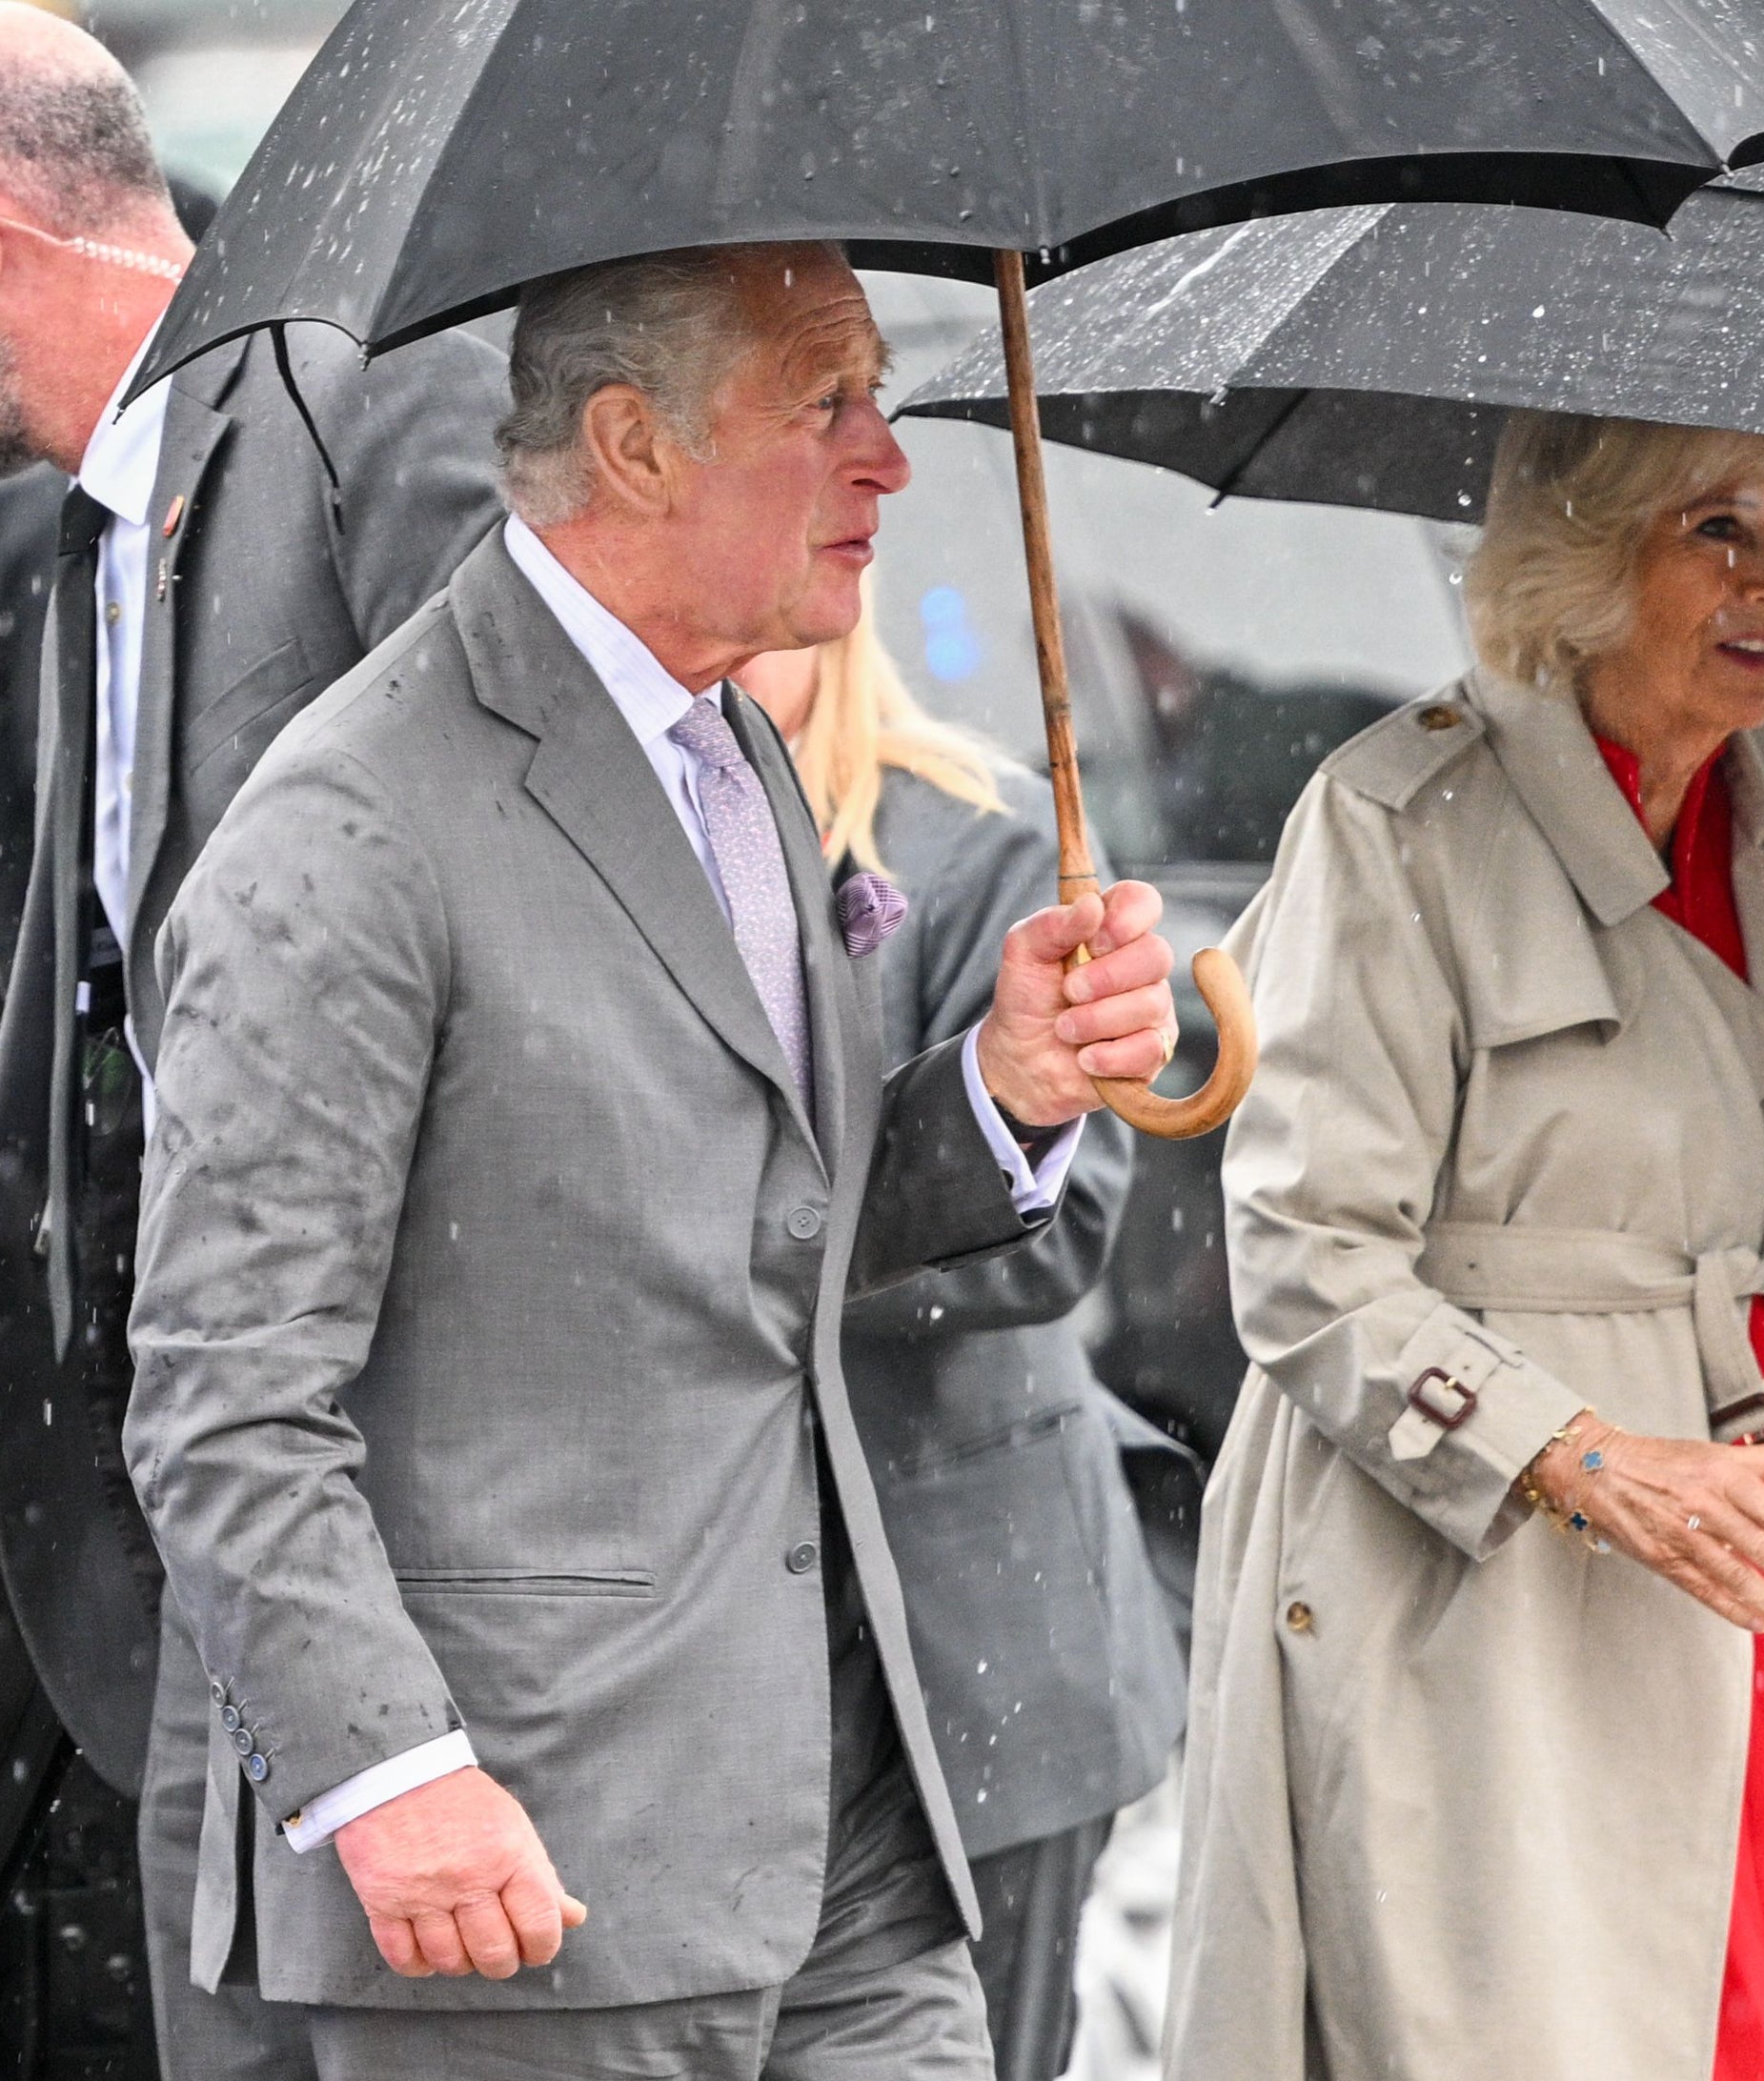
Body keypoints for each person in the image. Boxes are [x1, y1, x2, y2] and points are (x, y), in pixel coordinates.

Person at [118, 240, 1178, 2078]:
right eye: (826, 402)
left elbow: (766, 1218)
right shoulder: (350, 830)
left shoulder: (730, 757)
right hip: (530, 1884)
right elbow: (221, 1403)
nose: (891, 459)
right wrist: (392, 1773)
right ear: (632, 445)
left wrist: (1002, 1086)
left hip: (842, 1843)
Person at [1166, 408, 1764, 2081]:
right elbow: (1305, 1256)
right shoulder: (1395, 819)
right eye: (1716, 527)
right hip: (1492, 1583)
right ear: (1583, 550)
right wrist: (1581, 1460)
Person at [0, 14, 504, 2076]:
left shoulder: (369, 410)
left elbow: (519, 935)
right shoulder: (66, 531)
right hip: (121, 1585)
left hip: (387, 1576)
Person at [737, 608, 1188, 2081]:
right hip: (710, 1668)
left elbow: (1061, 1233)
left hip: (976, 1651)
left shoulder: (987, 838)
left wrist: (734, 1265)